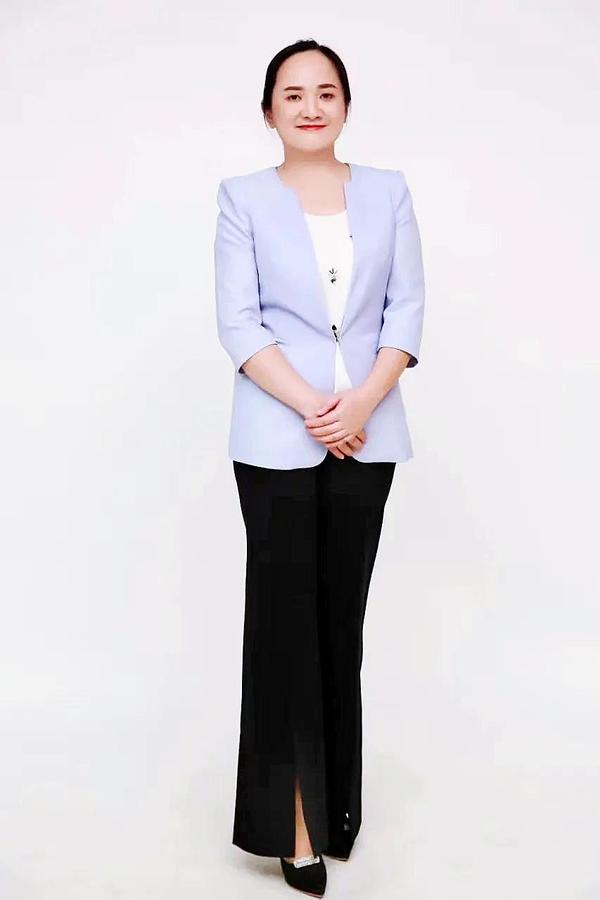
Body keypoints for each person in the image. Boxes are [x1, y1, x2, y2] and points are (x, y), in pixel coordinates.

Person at [213, 38, 425, 897]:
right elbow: (239, 323)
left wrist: (362, 403)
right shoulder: (241, 198)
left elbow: (406, 309)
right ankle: (290, 823)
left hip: (369, 436)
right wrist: (315, 407)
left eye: (325, 91)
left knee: (341, 624)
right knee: (284, 626)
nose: (310, 106)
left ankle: (337, 807)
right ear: (269, 111)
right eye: (293, 93)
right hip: (276, 437)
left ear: (346, 105)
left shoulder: (388, 191)